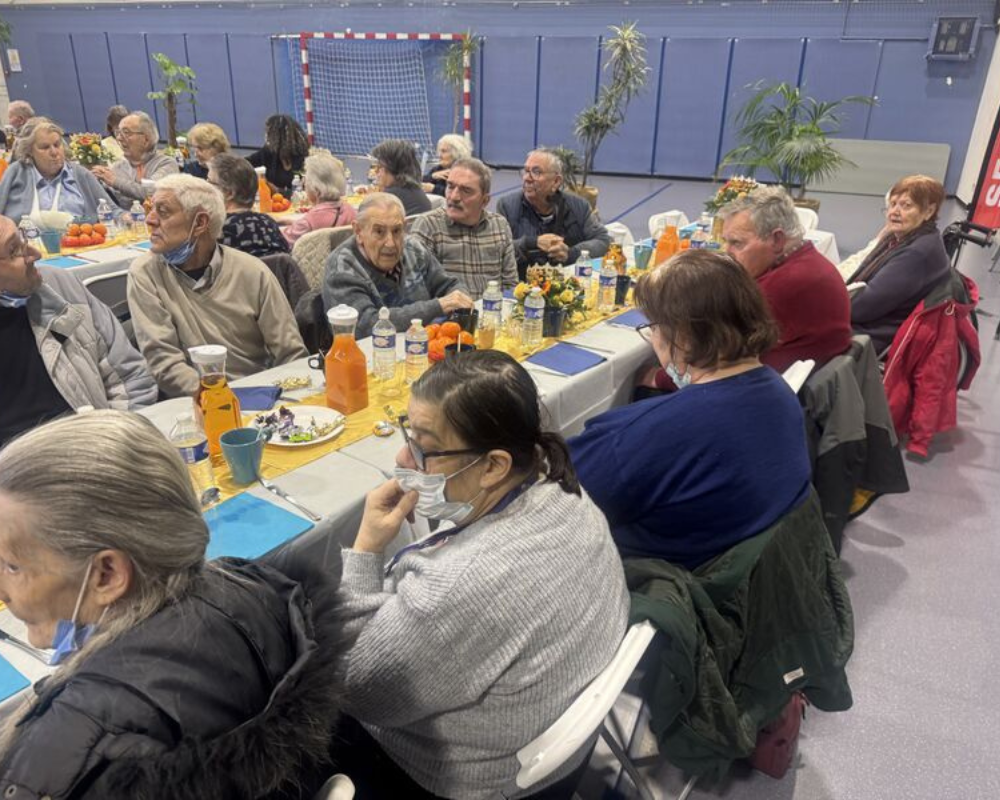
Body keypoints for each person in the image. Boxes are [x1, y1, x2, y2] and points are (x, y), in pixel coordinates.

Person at [0, 410, 343, 799]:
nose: (2, 590)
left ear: (107, 574)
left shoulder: (73, 749)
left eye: (12, 565)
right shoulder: (257, 591)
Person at [337, 350, 629, 799]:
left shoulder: (458, 586)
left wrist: (365, 550)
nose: (403, 457)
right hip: (556, 750)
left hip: (472, 781)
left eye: (424, 448)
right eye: (408, 435)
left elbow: (354, 688)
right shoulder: (560, 488)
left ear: (494, 466)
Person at [569, 250, 812, 570]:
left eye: (654, 327)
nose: (653, 338)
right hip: (739, 569)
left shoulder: (646, 435)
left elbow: (551, 501)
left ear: (682, 338)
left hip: (645, 579)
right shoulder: (781, 393)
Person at [127, 174, 307, 398]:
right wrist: (221, 398)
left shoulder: (252, 271)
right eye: (151, 209)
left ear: (200, 223)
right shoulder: (146, 273)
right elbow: (165, 363)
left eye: (163, 212)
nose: (150, 220)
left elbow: (290, 352)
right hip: (195, 400)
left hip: (260, 394)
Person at [0, 215, 156, 447]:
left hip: (103, 446)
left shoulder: (58, 287)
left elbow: (130, 378)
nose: (34, 254)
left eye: (23, 239)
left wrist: (123, 447)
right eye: (14, 250)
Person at [718, 185, 852, 372]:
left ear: (777, 240)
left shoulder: (783, 285)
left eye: (736, 243)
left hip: (769, 383)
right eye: (726, 242)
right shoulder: (809, 261)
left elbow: (715, 354)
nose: (727, 252)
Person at [323, 192, 472, 338]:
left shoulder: (413, 248)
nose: (390, 243)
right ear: (358, 231)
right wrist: (437, 306)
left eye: (396, 231)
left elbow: (450, 285)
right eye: (379, 231)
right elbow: (366, 327)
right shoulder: (342, 268)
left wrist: (459, 299)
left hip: (423, 344)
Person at [847, 175, 950, 353]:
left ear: (929, 211)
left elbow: (863, 308)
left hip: (875, 332)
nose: (894, 212)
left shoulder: (917, 254)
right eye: (893, 204)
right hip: (874, 320)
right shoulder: (901, 237)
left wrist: (828, 303)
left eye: (906, 205)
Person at [409, 157, 518, 299]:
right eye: (450, 186)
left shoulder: (499, 226)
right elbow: (418, 292)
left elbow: (510, 285)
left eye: (466, 190)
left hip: (493, 311)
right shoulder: (428, 226)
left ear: (485, 201)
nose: (454, 197)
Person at [497, 147, 610, 279]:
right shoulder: (507, 206)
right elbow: (498, 249)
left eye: (536, 172)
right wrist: (531, 243)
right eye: (526, 171)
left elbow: (602, 240)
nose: (527, 178)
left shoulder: (578, 206)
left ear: (556, 181)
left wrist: (570, 253)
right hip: (523, 285)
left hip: (568, 284)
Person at [0, 117, 120, 224]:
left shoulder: (81, 174)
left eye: (57, 145)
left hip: (80, 240)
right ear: (29, 151)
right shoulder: (16, 172)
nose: (54, 152)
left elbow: (113, 211)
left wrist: (126, 217)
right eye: (45, 147)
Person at [209, 152, 290, 258]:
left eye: (210, 182)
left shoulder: (217, 231)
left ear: (229, 193)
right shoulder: (268, 223)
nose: (206, 186)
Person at [91, 111, 179, 206]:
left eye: (126, 132)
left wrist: (115, 181)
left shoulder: (166, 163)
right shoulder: (118, 167)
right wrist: (96, 179)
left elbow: (150, 193)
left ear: (146, 140)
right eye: (118, 133)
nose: (119, 138)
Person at [282, 152, 357, 247]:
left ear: (316, 189)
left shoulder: (308, 223)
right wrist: (288, 221)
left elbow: (281, 241)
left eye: (306, 180)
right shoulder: (352, 212)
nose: (304, 184)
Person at [246, 114, 309, 196]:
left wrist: (278, 191)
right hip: (273, 201)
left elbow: (304, 192)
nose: (266, 137)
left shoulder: (303, 158)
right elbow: (245, 163)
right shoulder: (269, 152)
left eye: (269, 134)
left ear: (278, 137)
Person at [368, 139, 432, 216]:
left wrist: (370, 199)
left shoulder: (389, 198)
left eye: (380, 166)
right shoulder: (415, 190)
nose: (376, 172)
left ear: (392, 167)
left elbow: (367, 219)